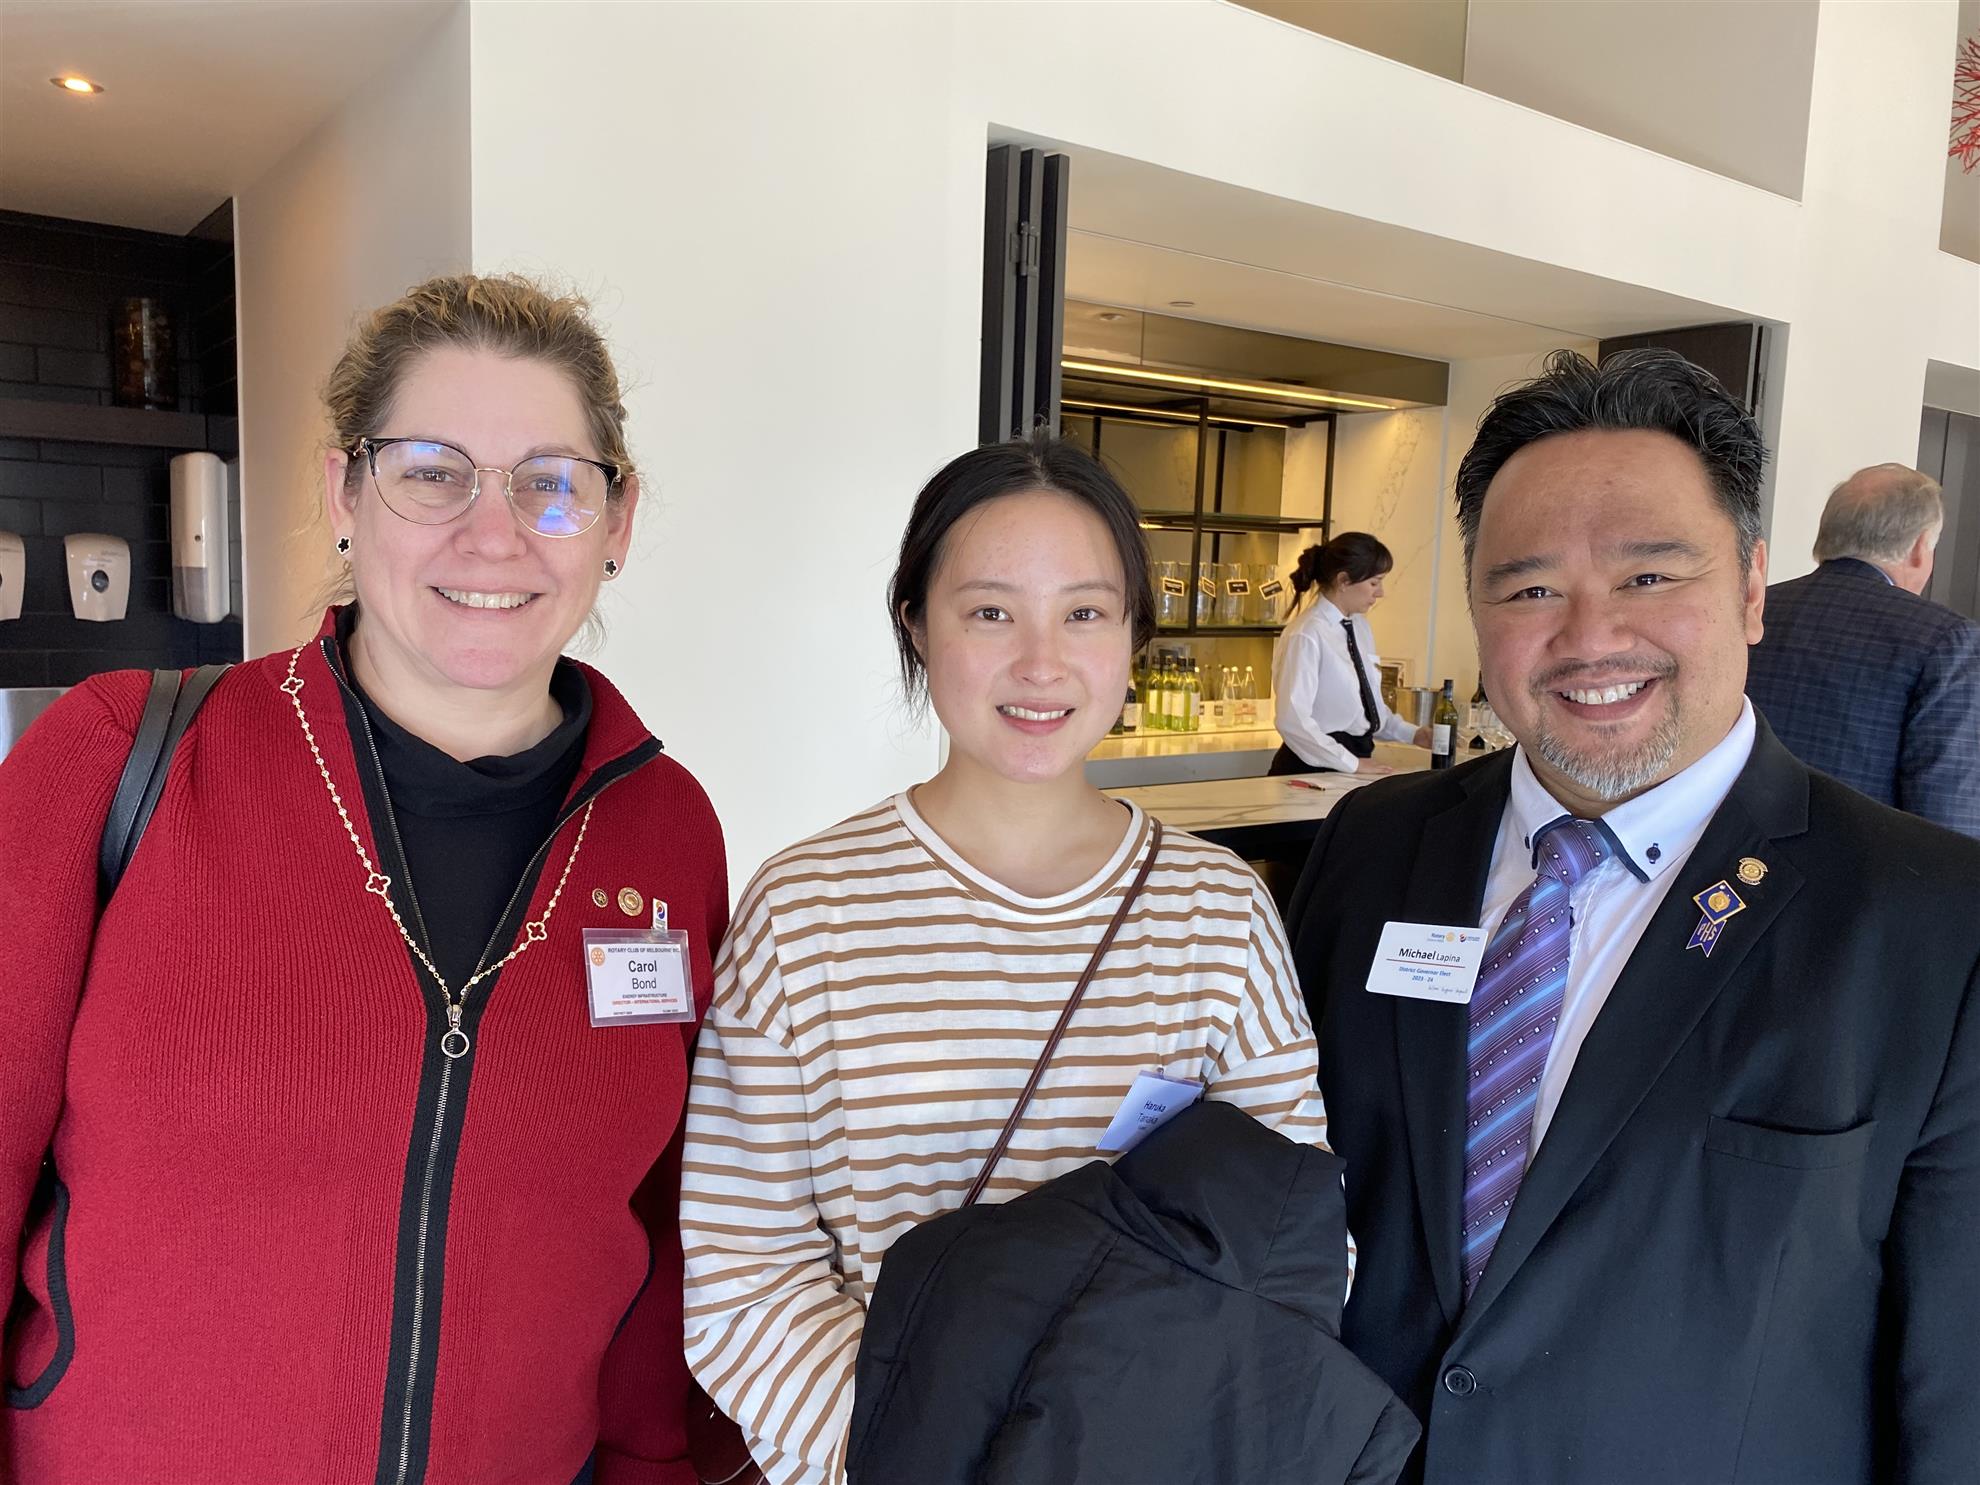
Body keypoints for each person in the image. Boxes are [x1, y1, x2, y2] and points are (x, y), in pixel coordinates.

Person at [0, 274, 736, 1484]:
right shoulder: (120, 758)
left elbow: (659, 1232)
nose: (492, 534)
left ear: (617, 520)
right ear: (345, 492)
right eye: (432, 472)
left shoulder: (666, 834)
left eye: (551, 481)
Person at [1286, 350, 1980, 1483]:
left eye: (1650, 577)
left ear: (1751, 589)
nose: (1588, 636)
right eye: (1529, 590)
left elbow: (1957, 1388)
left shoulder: (1937, 921)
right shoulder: (1372, 848)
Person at [679, 433, 1335, 1485]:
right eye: (990, 612)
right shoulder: (806, 908)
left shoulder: (1218, 908)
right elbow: (745, 1265)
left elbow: (1294, 1234)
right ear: (915, 624)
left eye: (1085, 613)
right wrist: (925, 1457)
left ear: (1134, 631)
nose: (1041, 662)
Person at [1746, 463, 1980, 838]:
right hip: (1860, 865)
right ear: (1920, 549)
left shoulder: (1752, 611)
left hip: (1732, 855)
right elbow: (1948, 822)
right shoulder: (1946, 641)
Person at [1269, 532, 1432, 776]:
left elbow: (1364, 713)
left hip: (1350, 765)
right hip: (1310, 770)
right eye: (1374, 583)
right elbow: (1292, 720)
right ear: (1343, 581)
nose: (1380, 593)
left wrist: (1414, 734)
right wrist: (1351, 763)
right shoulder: (1306, 634)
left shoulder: (1359, 627)